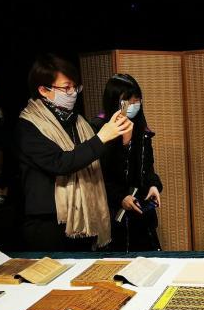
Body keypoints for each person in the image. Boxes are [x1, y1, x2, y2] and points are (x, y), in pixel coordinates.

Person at [16, 54, 132, 251]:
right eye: (66, 87)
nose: (72, 93)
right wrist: (102, 137)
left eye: (75, 87)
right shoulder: (28, 124)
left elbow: (96, 162)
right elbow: (61, 163)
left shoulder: (77, 120)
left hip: (86, 218)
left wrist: (123, 141)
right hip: (50, 223)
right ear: (44, 89)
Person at [91, 74, 163, 252]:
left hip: (140, 214)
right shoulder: (99, 130)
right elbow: (98, 177)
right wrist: (120, 198)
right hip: (113, 217)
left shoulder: (142, 130)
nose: (133, 106)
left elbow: (147, 168)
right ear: (115, 102)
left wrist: (153, 185)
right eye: (127, 102)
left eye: (136, 100)